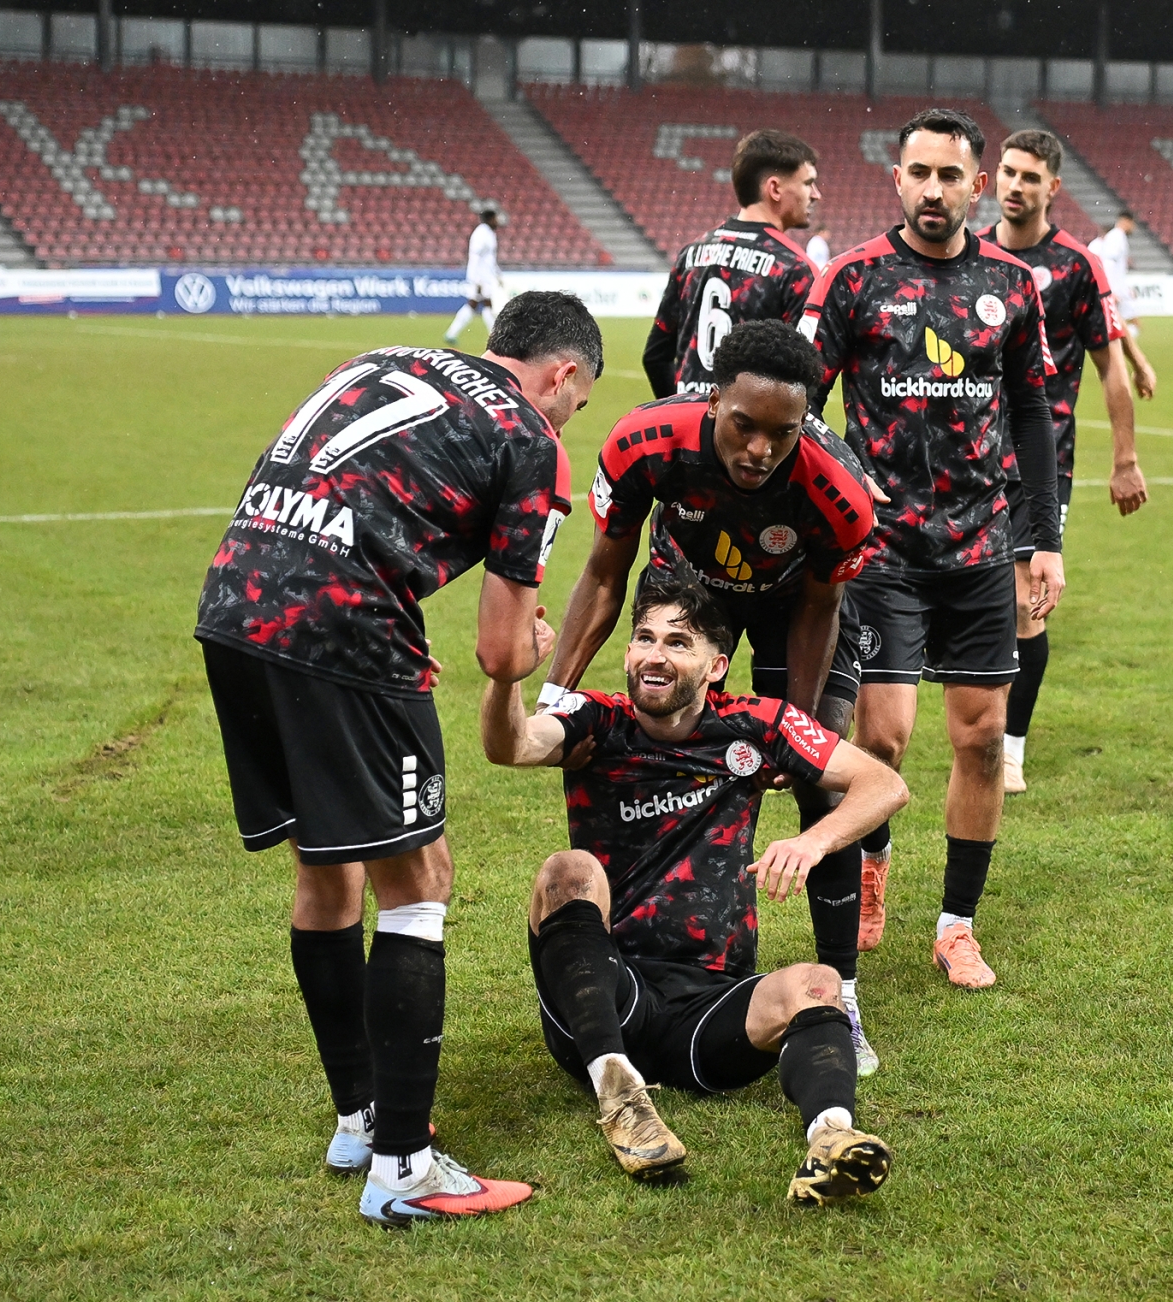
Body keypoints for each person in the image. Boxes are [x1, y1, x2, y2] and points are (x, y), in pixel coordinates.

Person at [194, 291, 600, 1226]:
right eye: (575, 403)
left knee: (327, 865)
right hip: (341, 625)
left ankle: (360, 1119)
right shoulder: (530, 436)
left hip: (235, 599)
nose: (568, 418)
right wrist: (532, 647)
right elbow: (499, 652)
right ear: (562, 375)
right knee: (420, 879)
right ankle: (405, 1168)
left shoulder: (385, 358)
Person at [481, 574, 909, 1204]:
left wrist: (813, 842)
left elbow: (885, 785)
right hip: (609, 998)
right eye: (644, 638)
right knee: (567, 871)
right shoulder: (596, 719)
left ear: (716, 666)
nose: (654, 655)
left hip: (709, 1011)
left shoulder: (757, 725)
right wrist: (506, 679)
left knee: (817, 982)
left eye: (678, 643)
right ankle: (619, 1094)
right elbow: (510, 745)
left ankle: (831, 1135)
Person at [539, 320, 884, 1073]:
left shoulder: (838, 491)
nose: (760, 449)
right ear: (713, 401)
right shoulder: (645, 442)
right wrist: (554, 695)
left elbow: (820, 609)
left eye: (782, 433)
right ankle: (651, 952)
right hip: (692, 601)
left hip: (796, 609)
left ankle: (845, 996)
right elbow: (604, 573)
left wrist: (794, 730)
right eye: (743, 425)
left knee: (821, 786)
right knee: (671, 755)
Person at [802, 107, 1060, 989]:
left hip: (982, 544)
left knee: (981, 738)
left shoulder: (1012, 283)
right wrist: (843, 472)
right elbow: (798, 400)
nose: (934, 190)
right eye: (920, 173)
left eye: (951, 176)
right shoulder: (852, 279)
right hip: (882, 550)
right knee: (884, 734)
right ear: (898, 179)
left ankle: (957, 925)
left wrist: (1044, 539)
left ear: (976, 186)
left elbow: (1033, 411)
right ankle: (872, 865)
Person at [975, 127, 1147, 796]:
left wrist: (1126, 459)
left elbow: (1110, 369)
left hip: (1040, 461)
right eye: (1008, 172)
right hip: (963, 459)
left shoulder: (1078, 265)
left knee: (1026, 604)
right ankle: (975, 725)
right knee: (972, 601)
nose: (1016, 186)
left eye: (1030, 176)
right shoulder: (971, 253)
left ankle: (1010, 748)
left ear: (1053, 187)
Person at [644, 129, 822, 398]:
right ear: (774, 189)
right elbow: (805, 373)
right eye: (808, 183)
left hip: (688, 417)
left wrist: (680, 410)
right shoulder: (794, 267)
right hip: (746, 421)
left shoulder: (692, 253)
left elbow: (655, 356)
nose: (816, 195)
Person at [1088, 211, 1158, 399]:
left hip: (1116, 290)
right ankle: (1118, 367)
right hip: (1113, 292)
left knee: (1122, 328)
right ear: (1127, 221)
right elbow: (1109, 264)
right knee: (1122, 327)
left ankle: (1119, 363)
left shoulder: (1115, 238)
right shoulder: (1117, 237)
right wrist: (1110, 290)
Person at [446, 208, 502, 346]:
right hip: (480, 277)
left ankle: (451, 334)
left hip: (486, 276)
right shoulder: (481, 233)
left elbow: (489, 258)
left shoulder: (489, 233)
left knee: (475, 304)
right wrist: (476, 279)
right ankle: (495, 336)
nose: (497, 221)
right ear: (490, 219)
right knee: (484, 304)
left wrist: (497, 274)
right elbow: (475, 256)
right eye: (495, 218)